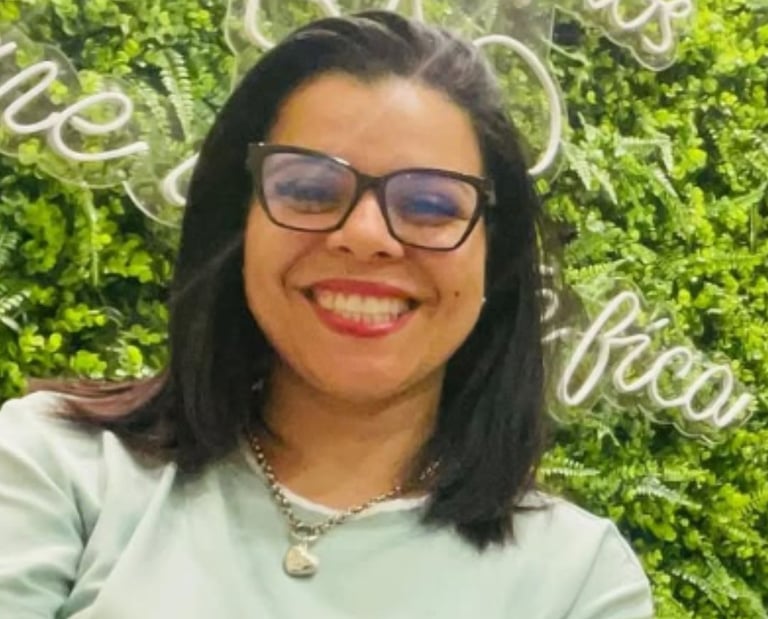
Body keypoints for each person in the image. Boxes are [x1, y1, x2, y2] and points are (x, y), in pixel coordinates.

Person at [0, 10, 654, 618]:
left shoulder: (579, 578)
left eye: (430, 204)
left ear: (494, 260)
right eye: (309, 189)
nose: (366, 235)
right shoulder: (57, 468)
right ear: (238, 225)